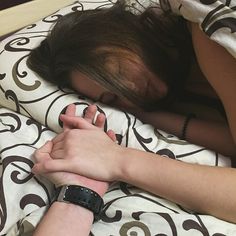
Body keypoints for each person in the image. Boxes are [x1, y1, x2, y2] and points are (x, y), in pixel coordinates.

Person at [28, 0, 236, 231]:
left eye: (118, 68)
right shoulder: (179, 85)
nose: (130, 90)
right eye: (112, 98)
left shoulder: (205, 30)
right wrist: (142, 113)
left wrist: (116, 159)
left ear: (119, 33)